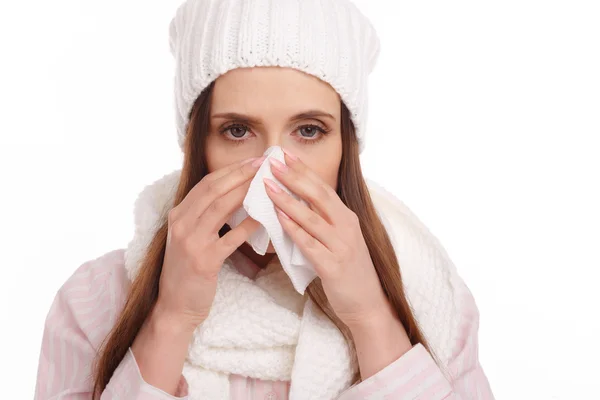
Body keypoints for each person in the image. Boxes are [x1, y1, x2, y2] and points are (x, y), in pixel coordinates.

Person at [34, 0, 495, 399]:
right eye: (237, 131)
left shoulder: (433, 299)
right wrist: (171, 318)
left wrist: (371, 316)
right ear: (197, 146)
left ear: (346, 149)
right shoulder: (94, 301)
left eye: (309, 131)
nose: (274, 166)